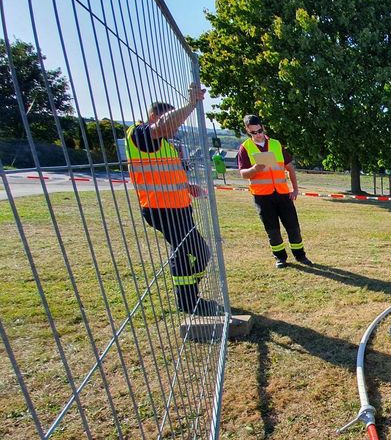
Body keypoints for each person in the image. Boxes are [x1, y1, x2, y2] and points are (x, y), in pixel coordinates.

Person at [125, 84, 221, 317]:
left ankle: (188, 293)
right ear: (153, 117)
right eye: (172, 121)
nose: (175, 127)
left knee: (195, 252)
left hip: (178, 207)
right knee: (190, 251)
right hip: (161, 209)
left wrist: (188, 187)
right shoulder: (140, 134)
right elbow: (162, 127)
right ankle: (188, 301)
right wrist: (191, 104)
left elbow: (165, 173)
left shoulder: (164, 145)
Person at [237, 114, 310, 269]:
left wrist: (295, 189)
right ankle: (280, 257)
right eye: (253, 132)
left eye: (259, 130)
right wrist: (255, 169)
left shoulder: (276, 144)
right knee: (272, 230)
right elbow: (243, 174)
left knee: (293, 227)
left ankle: (300, 255)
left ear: (263, 127)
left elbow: (289, 167)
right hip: (262, 196)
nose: (258, 135)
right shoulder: (245, 148)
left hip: (282, 193)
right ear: (247, 131)